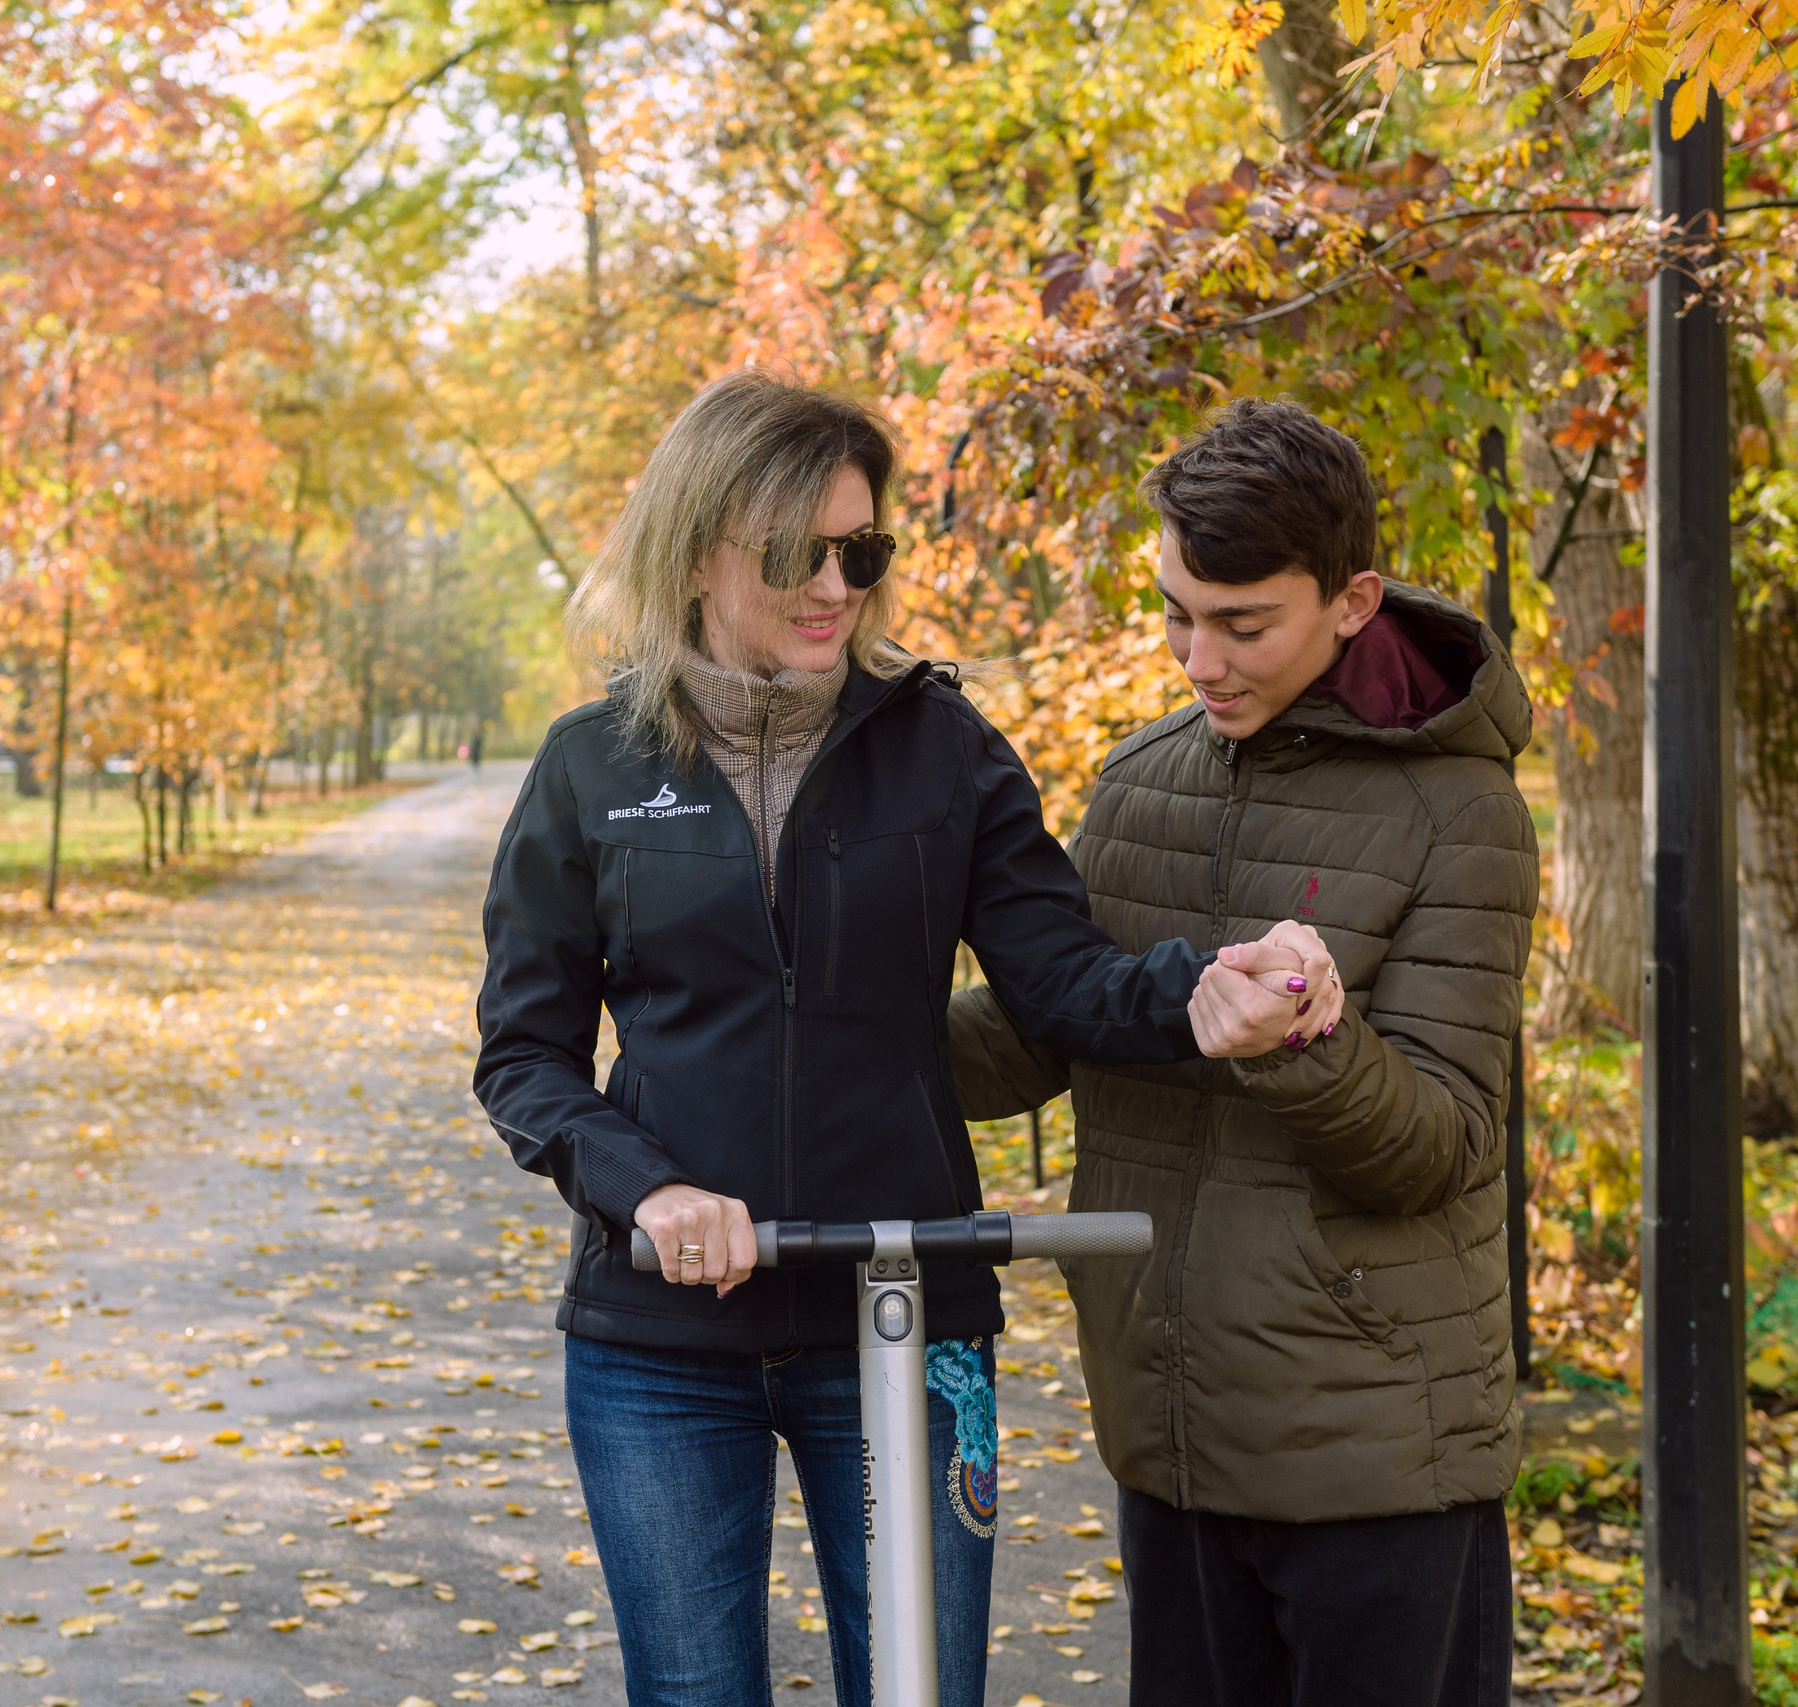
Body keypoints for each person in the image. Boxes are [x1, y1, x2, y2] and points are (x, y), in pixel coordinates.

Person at [471, 372, 1328, 1707]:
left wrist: (1207, 990)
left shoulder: (944, 749)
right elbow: (523, 1057)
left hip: (907, 1317)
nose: (835, 588)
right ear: (697, 552)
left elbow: (1065, 985)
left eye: (859, 553)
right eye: (793, 555)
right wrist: (650, 1191)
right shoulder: (593, 766)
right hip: (660, 1342)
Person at [949, 398, 1538, 1707]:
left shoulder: (1462, 812)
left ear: (1352, 600)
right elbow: (1049, 1029)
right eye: (1176, 614)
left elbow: (1441, 1147)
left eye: (1243, 624)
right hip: (1170, 1438)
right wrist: (821, 1029)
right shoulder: (1141, 780)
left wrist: (1309, 1042)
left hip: (1381, 1465)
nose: (1200, 660)